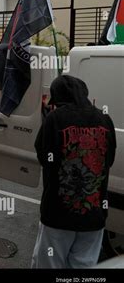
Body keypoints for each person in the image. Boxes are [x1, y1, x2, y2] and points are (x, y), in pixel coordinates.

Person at [31, 75, 116, 268]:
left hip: (58, 215)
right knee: (83, 267)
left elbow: (43, 157)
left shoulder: (55, 118)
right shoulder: (105, 119)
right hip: (94, 216)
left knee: (49, 264)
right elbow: (108, 160)